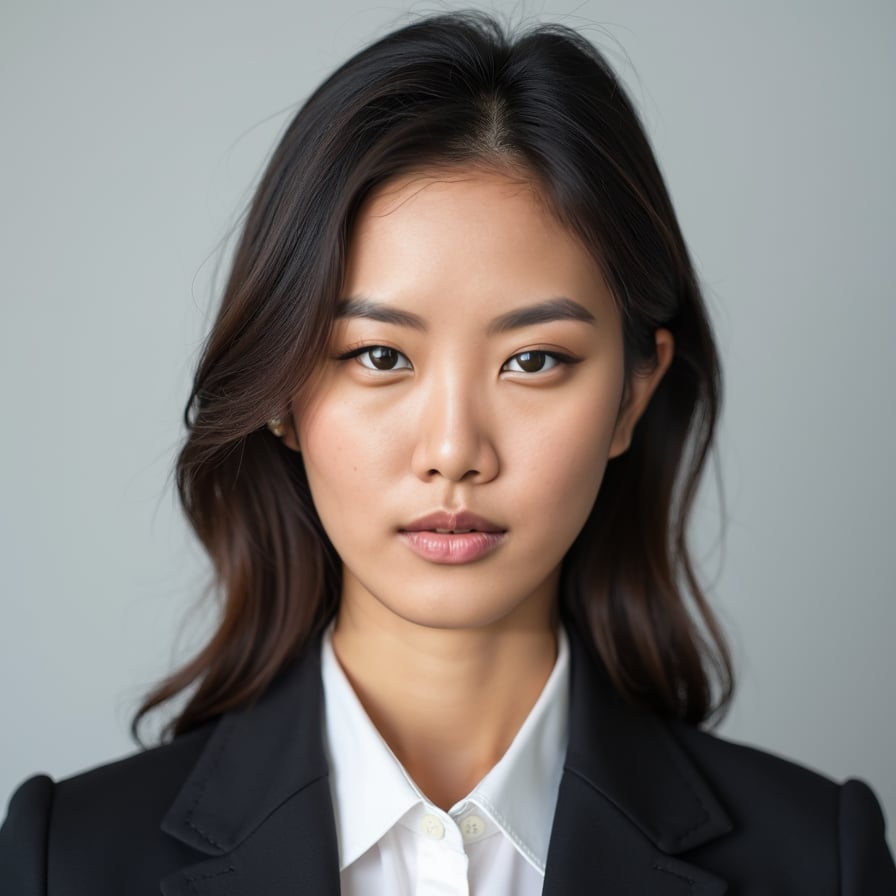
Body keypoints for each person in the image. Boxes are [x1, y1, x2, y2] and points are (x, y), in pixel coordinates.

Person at [1, 11, 894, 895]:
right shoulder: (69, 861)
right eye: (380, 357)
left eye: (534, 360)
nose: (454, 451)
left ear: (633, 393)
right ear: (278, 390)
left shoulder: (819, 861)